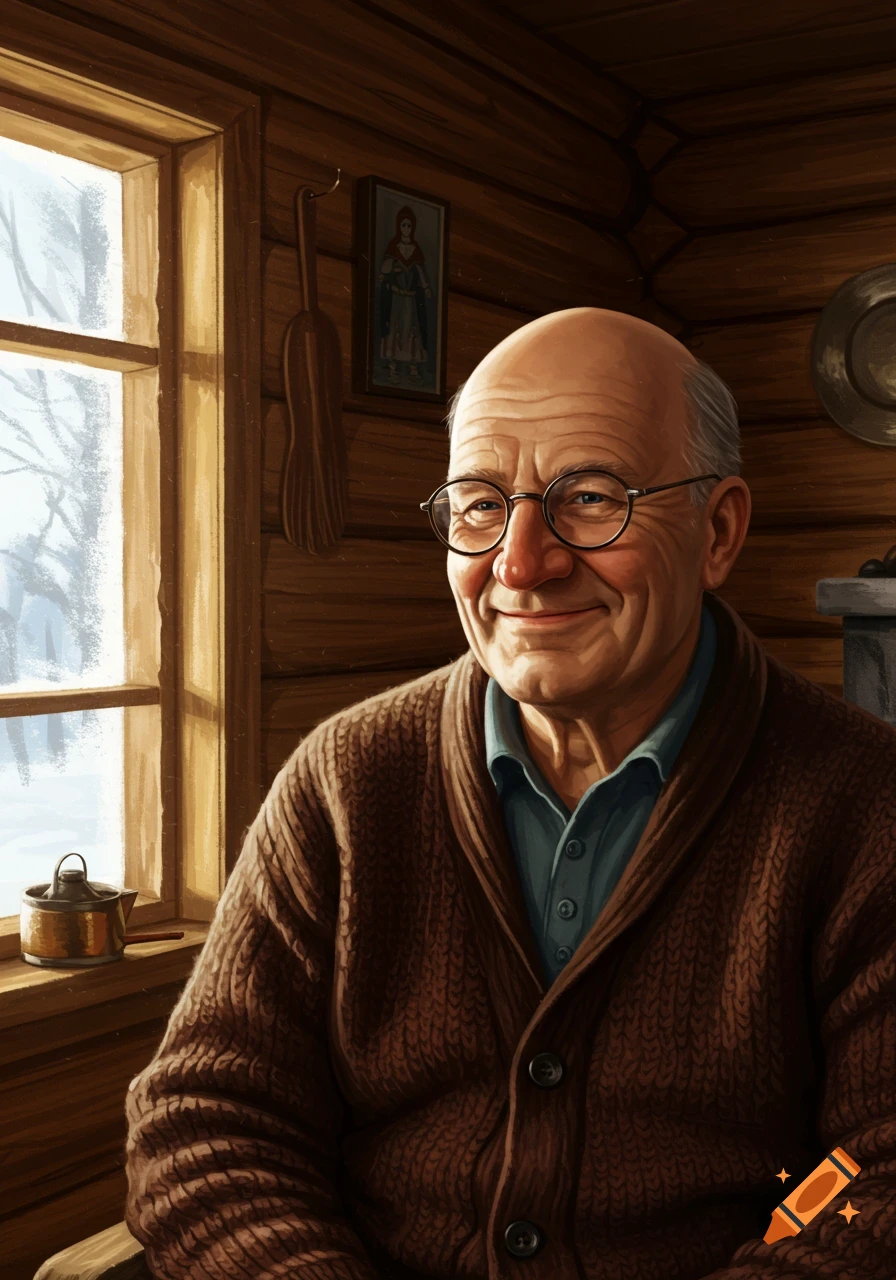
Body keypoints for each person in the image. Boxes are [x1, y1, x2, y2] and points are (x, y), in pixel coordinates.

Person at [124, 308, 896, 1279]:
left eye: (589, 497)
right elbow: (207, 1122)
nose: (520, 565)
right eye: (479, 503)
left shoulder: (865, 806)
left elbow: (881, 1186)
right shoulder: (345, 779)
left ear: (717, 530)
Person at [377, 204, 431, 383]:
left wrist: (426, 287)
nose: (406, 229)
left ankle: (412, 365)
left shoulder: (415, 249)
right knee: (395, 328)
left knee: (411, 330)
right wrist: (392, 268)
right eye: (403, 225)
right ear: (398, 227)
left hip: (410, 298)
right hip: (396, 297)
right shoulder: (394, 247)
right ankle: (393, 366)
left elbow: (419, 270)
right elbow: (384, 269)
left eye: (409, 226)